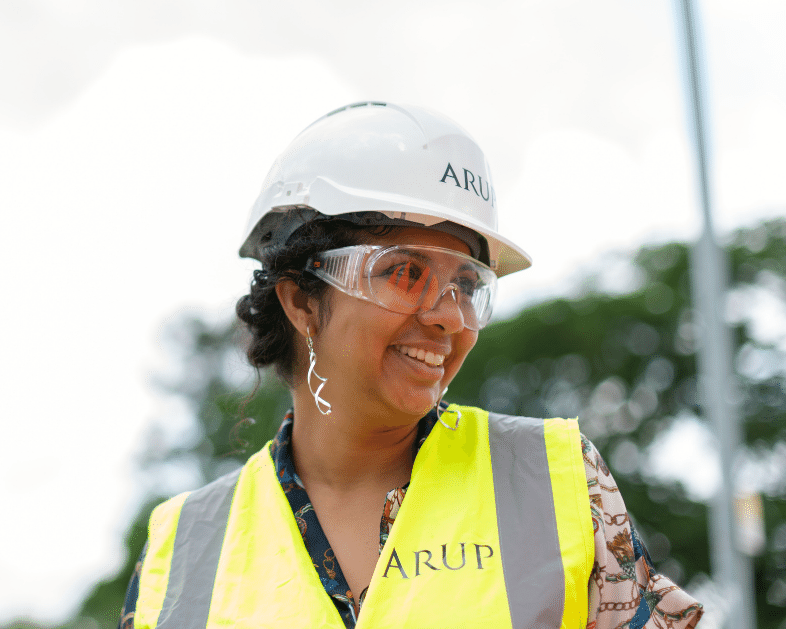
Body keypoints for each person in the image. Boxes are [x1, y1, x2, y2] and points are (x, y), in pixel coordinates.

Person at [119, 102, 703, 628]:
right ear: (300, 300)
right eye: (404, 272)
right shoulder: (182, 554)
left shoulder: (555, 484)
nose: (451, 317)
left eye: (468, 284)